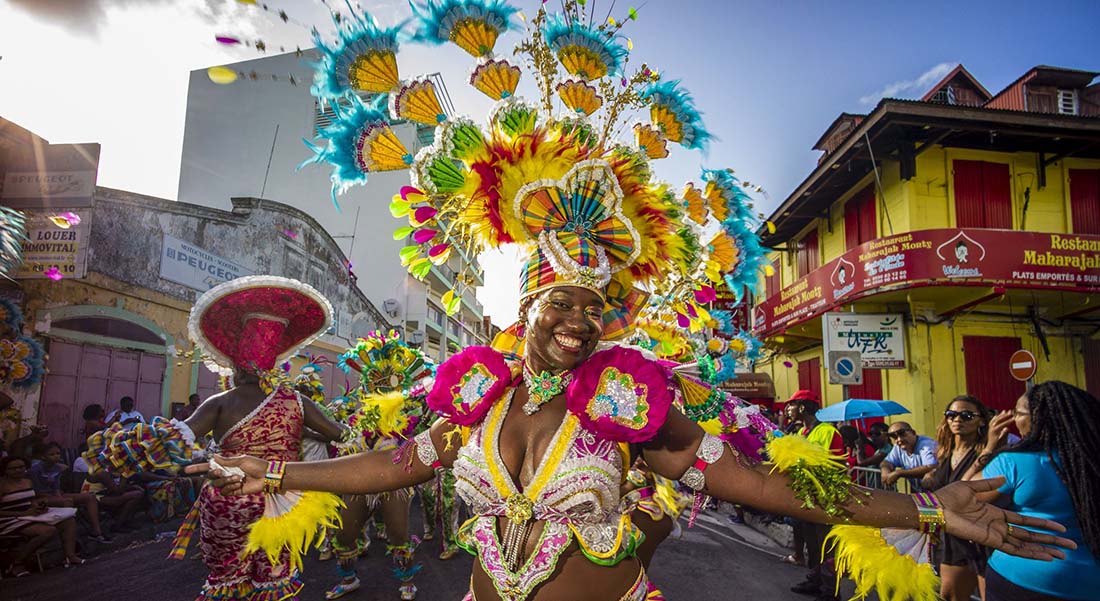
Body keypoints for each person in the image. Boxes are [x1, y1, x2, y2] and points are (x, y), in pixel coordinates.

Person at [186, 5, 1075, 599]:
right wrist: (269, 472)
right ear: (527, 304)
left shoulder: (628, 404)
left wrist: (928, 506)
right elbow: (392, 464)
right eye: (560, 305)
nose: (577, 323)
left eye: (595, 310)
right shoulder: (478, 394)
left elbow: (768, 485)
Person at [176, 276, 346, 600]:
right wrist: (302, 434)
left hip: (228, 499)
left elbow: (178, 437)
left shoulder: (220, 402)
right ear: (276, 363)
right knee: (274, 582)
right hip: (280, 501)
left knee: (225, 581)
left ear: (236, 364)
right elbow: (343, 436)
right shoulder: (299, 402)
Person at [968, 381, 1100, 601]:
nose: (1013, 420)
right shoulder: (1090, 461)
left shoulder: (1014, 463)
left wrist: (990, 447)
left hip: (1024, 577)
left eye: (1017, 413)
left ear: (1037, 419)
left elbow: (963, 497)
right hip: (1090, 582)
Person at [923, 395, 991, 601]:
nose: (957, 420)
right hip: (951, 537)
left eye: (966, 415)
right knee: (950, 595)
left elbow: (972, 488)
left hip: (982, 536)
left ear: (981, 421)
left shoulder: (989, 452)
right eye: (951, 415)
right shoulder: (945, 452)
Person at [787, 396, 845, 601]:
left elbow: (838, 465)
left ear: (802, 407)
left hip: (824, 498)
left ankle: (831, 591)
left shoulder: (829, 432)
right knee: (812, 544)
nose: (788, 409)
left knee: (826, 546)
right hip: (806, 497)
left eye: (791, 405)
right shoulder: (802, 432)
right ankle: (815, 580)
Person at [0, 455, 83, 575]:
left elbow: (30, 500)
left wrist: (38, 506)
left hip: (29, 515)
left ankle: (70, 556)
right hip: (10, 519)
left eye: (21, 467)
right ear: (5, 470)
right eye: (13, 468)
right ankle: (17, 561)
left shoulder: (27, 481)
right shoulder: (2, 485)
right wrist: (23, 513)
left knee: (68, 521)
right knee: (47, 531)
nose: (18, 470)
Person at [30, 442, 113, 543]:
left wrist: (59, 496)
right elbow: (36, 490)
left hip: (55, 494)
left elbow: (56, 486)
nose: (56, 457)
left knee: (89, 497)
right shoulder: (36, 470)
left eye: (58, 454)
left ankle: (97, 532)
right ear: (43, 456)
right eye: (52, 455)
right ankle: (73, 537)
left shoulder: (57, 468)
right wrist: (59, 498)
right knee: (66, 502)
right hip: (40, 497)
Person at [880, 421, 938, 491]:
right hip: (919, 491)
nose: (899, 439)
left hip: (939, 491)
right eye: (894, 437)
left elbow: (931, 466)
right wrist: (885, 471)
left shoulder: (926, 445)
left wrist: (899, 473)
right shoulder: (898, 447)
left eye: (902, 434)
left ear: (913, 433)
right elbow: (887, 462)